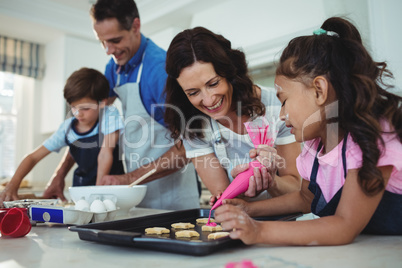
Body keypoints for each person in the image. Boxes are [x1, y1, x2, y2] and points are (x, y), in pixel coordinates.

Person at [214, 17, 402, 245]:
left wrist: (259, 231)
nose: (282, 115)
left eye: (284, 101)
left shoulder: (370, 139)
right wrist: (250, 209)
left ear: (319, 91)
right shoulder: (315, 145)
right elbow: (305, 198)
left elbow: (344, 225)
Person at [43, 0, 200, 210]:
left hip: (173, 200)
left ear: (136, 26)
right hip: (137, 196)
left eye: (115, 40)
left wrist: (127, 179)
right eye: (102, 42)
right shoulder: (114, 68)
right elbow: (87, 124)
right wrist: (59, 175)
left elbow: (188, 146)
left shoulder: (159, 71)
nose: (108, 50)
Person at [163, 27, 301, 203]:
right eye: (193, 93)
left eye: (213, 83)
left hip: (289, 223)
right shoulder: (193, 125)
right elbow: (226, 201)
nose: (208, 100)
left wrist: (271, 182)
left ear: (229, 72)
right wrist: (243, 188)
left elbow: (297, 187)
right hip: (238, 224)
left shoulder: (276, 107)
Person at [0, 68, 125, 204]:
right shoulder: (67, 128)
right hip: (81, 192)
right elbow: (33, 157)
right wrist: (12, 186)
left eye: (85, 108)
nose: (78, 114)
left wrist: (97, 192)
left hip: (110, 191)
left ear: (102, 103)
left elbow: (105, 154)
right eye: (74, 107)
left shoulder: (109, 115)